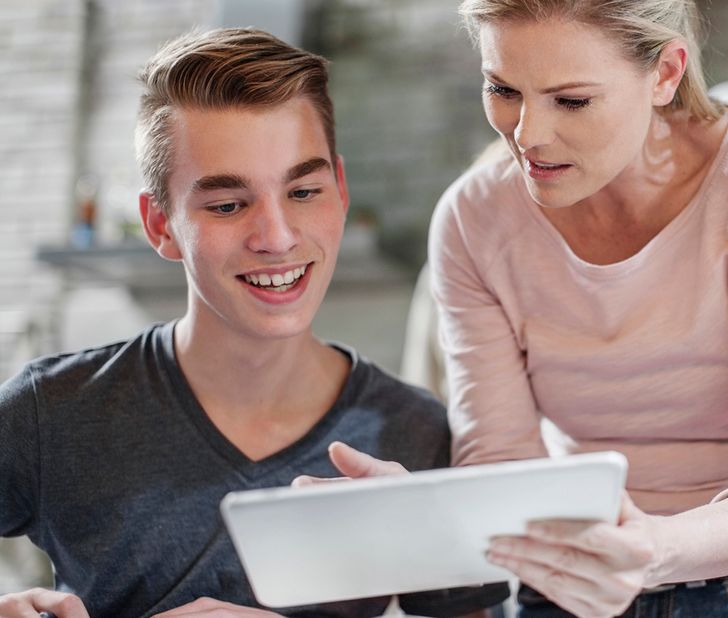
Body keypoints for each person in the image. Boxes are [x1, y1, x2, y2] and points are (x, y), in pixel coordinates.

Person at [338, 1, 728, 617]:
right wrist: (436, 512)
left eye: (571, 101)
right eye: (502, 89)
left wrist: (656, 548)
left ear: (666, 74)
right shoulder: (474, 221)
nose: (528, 134)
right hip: (572, 584)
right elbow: (503, 464)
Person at [0, 28, 507, 618]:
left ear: (340, 191)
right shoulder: (50, 412)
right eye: (226, 205)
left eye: (303, 191)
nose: (277, 237)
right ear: (160, 225)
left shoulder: (416, 434)